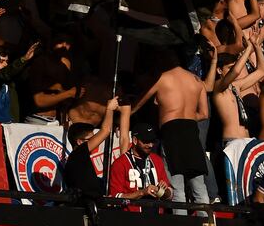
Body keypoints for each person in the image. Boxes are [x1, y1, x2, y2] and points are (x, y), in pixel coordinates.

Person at [131, 49, 211, 206]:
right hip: (190, 131)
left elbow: (139, 103)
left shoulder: (163, 78)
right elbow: (203, 114)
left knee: (177, 188)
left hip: (172, 131)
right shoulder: (196, 80)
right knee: (199, 187)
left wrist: (126, 112)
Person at [62, 100, 117, 199]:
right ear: (79, 142)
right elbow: (106, 130)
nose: (95, 141)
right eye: (90, 139)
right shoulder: (78, 153)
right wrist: (109, 109)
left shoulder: (78, 158)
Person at [107, 122, 172, 202]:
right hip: (132, 214)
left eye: (152, 141)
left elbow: (170, 196)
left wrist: (163, 191)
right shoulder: (120, 163)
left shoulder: (157, 160)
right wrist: (141, 193)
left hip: (155, 213)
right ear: (135, 140)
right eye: (146, 141)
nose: (151, 145)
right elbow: (115, 197)